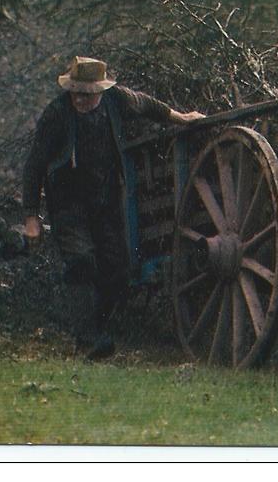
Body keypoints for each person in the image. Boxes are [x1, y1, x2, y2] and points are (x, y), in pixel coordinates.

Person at [22, 56, 204, 359]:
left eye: (87, 93)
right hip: (68, 203)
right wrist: (31, 216)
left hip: (105, 201)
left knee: (117, 270)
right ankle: (88, 340)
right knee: (81, 261)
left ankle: (96, 331)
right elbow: (34, 165)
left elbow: (147, 105)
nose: (80, 98)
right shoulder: (56, 114)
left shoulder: (116, 100)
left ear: (101, 91)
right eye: (76, 92)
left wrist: (181, 118)